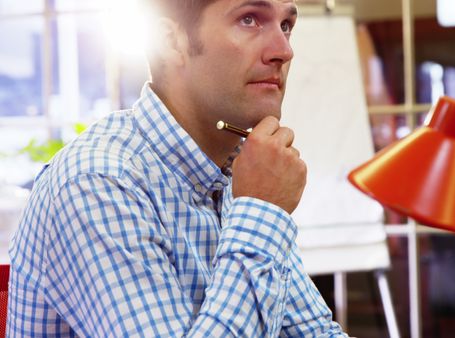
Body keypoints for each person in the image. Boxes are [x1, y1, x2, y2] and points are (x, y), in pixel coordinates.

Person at [7, 0, 348, 336]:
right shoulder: (98, 181)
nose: (283, 50)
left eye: (286, 25)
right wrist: (261, 212)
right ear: (171, 42)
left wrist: (258, 210)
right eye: (249, 19)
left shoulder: (239, 176)